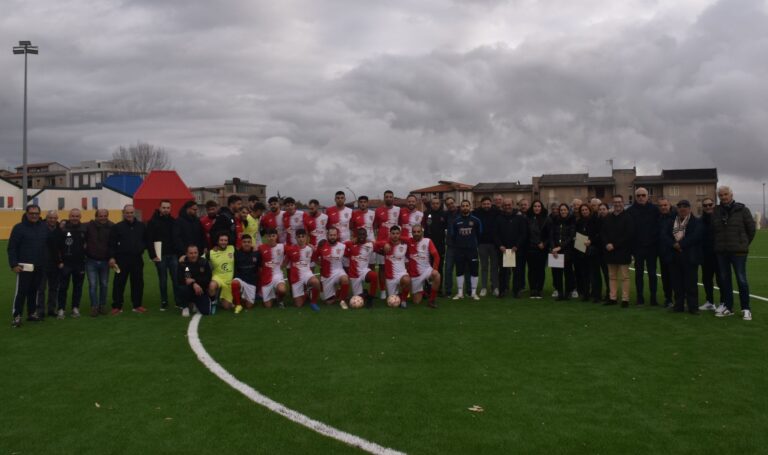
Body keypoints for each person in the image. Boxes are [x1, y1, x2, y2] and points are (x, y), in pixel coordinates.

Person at [712, 186, 756, 320]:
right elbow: (714, 231)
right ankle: (728, 307)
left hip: (738, 252)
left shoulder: (742, 209)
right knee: (725, 280)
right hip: (722, 252)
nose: (723, 197)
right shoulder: (717, 211)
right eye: (721, 195)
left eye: (725, 194)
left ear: (731, 195)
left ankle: (746, 309)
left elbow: (751, 229)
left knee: (741, 280)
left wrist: (743, 244)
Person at [660, 200, 702, 314]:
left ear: (689, 208)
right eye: (680, 207)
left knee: (691, 283)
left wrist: (681, 244)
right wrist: (674, 244)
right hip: (674, 256)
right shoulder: (671, 221)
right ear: (677, 209)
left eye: (685, 207)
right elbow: (664, 235)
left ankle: (693, 307)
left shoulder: (696, 221)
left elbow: (696, 236)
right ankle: (678, 305)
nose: (682, 209)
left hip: (689, 256)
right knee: (677, 283)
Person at [8, 204, 47, 327]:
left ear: (39, 214)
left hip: (39, 265)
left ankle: (31, 313)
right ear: (26, 214)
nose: (34, 215)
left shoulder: (43, 227)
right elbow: (12, 248)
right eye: (32, 213)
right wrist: (14, 264)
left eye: (36, 213)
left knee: (34, 291)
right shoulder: (19, 228)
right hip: (24, 266)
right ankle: (17, 316)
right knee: (21, 292)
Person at [109, 205, 148, 315]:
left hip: (137, 259)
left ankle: (137, 305)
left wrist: (141, 247)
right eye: (127, 213)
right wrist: (112, 257)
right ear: (123, 213)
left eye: (131, 213)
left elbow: (146, 240)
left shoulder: (141, 226)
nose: (129, 215)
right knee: (119, 283)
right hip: (121, 259)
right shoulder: (117, 227)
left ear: (134, 213)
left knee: (138, 282)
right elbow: (112, 244)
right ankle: (117, 306)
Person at [626, 187, 660, 306]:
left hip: (651, 248)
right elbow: (629, 231)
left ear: (647, 196)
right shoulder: (630, 211)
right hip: (637, 248)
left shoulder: (655, 210)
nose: (641, 197)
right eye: (638, 195)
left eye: (643, 195)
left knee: (652, 273)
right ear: (635, 197)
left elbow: (658, 228)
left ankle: (653, 298)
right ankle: (640, 298)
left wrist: (653, 242)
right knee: (638, 274)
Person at [601, 195, 635, 307]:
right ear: (612, 203)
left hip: (623, 251)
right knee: (612, 276)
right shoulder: (607, 218)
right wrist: (607, 243)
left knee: (625, 277)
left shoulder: (628, 217)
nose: (617, 204)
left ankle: (625, 299)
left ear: (623, 203)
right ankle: (613, 298)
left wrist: (614, 245)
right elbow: (603, 233)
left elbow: (628, 235)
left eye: (619, 202)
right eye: (615, 202)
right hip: (610, 252)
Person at [55, 208, 87, 319]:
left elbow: (88, 245)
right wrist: (59, 262)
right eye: (72, 216)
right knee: (63, 287)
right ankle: (61, 309)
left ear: (80, 217)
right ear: (69, 216)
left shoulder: (84, 229)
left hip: (80, 264)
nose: (74, 218)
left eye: (77, 216)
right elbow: (57, 247)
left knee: (78, 287)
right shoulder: (63, 230)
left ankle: (75, 308)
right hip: (66, 264)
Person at [146, 200, 178, 311]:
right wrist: (152, 255)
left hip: (173, 255)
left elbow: (176, 238)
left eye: (168, 207)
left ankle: (178, 301)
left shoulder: (174, 221)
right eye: (164, 207)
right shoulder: (152, 222)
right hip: (160, 256)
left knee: (176, 279)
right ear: (159, 208)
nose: (166, 209)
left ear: (170, 209)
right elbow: (149, 240)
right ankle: (164, 301)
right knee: (163, 280)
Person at [495, 198, 528, 298]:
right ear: (502, 206)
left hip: (516, 250)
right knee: (503, 272)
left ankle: (516, 291)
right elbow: (495, 234)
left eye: (509, 204)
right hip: (503, 250)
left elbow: (523, 234)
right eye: (505, 205)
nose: (507, 207)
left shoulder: (519, 218)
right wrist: (500, 245)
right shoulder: (499, 218)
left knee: (517, 271)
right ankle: (502, 291)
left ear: (512, 204)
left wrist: (517, 246)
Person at [451, 200, 482, 300]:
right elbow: (453, 235)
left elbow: (480, 233)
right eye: (463, 206)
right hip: (459, 250)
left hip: (472, 250)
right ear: (460, 207)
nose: (465, 207)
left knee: (474, 271)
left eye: (466, 206)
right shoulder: (456, 221)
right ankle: (460, 293)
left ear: (470, 207)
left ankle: (473, 293)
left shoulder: (476, 220)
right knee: (459, 271)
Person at [84, 209, 113, 317]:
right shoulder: (88, 226)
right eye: (100, 216)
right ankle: (94, 306)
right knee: (92, 285)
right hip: (91, 260)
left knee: (104, 285)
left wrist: (112, 257)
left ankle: (102, 305)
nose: (103, 218)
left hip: (105, 261)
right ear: (96, 216)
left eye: (105, 216)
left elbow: (113, 244)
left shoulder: (111, 226)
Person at [374, 225, 411, 308]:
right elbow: (375, 245)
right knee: (392, 302)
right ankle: (398, 293)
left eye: (397, 233)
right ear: (390, 234)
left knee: (407, 280)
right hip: (390, 277)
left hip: (401, 274)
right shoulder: (386, 245)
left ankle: (404, 300)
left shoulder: (404, 245)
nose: (395, 235)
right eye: (393, 233)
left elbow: (410, 240)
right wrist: (385, 243)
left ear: (400, 234)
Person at [373, 190, 402, 299]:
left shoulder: (398, 210)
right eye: (387, 196)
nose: (389, 198)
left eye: (391, 196)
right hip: (382, 243)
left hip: (395, 244)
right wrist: (377, 240)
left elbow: (400, 225)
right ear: (384, 198)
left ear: (393, 198)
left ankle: (396, 289)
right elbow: (375, 226)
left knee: (396, 266)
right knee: (382, 268)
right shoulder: (378, 210)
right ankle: (383, 290)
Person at [285, 229, 321, 310]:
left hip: (306, 273)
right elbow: (284, 263)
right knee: (298, 305)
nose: (301, 239)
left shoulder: (310, 248)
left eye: (303, 236)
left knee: (316, 282)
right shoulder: (290, 249)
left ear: (306, 237)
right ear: (295, 238)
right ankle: (307, 292)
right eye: (299, 237)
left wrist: (319, 252)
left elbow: (317, 261)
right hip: (295, 277)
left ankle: (313, 302)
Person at [698, 197, 723, 311]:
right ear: (703, 207)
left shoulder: (720, 218)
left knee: (721, 279)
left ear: (714, 205)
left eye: (710, 204)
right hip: (705, 255)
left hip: (719, 254)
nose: (708, 207)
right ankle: (710, 302)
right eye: (705, 205)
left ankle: (723, 302)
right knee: (707, 279)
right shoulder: (700, 221)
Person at [316, 227, 350, 308]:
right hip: (326, 275)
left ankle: (342, 300)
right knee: (329, 302)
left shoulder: (342, 246)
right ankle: (337, 292)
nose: (332, 237)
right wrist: (321, 264)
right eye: (331, 235)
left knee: (345, 279)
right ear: (327, 236)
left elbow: (351, 252)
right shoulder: (321, 246)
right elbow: (314, 257)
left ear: (337, 236)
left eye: (334, 235)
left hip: (338, 271)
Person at [574, 204, 602, 302]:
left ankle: (596, 295)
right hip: (582, 251)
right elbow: (577, 234)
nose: (584, 211)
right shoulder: (579, 222)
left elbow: (599, 234)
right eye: (582, 210)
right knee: (585, 274)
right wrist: (576, 239)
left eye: (586, 210)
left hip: (593, 250)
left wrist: (591, 241)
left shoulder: (595, 220)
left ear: (589, 210)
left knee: (594, 274)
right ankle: (586, 294)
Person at [408, 224, 440, 307]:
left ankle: (432, 300)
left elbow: (436, 256)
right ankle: (423, 292)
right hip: (415, 275)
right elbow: (397, 239)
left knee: (437, 276)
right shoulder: (408, 241)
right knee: (416, 302)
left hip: (426, 271)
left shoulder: (428, 241)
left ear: (422, 232)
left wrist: (435, 269)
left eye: (418, 231)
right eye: (414, 232)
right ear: (411, 233)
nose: (416, 233)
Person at [472, 196, 499, 297]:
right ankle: (484, 287)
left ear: (491, 204)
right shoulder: (476, 213)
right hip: (482, 244)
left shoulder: (497, 212)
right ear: (481, 204)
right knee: (483, 267)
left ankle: (495, 287)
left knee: (494, 267)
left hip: (494, 245)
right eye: (484, 204)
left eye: (488, 204)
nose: (486, 206)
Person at [177, 244, 214, 317]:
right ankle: (185, 307)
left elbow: (208, 279)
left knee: (206, 312)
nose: (193, 255)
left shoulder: (204, 262)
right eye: (191, 253)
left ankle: (195, 303)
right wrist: (194, 284)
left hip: (201, 290)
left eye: (195, 253)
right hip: (189, 290)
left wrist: (194, 281)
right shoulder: (184, 264)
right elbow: (180, 279)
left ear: (198, 253)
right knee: (183, 287)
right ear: (186, 254)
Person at [345, 227, 378, 308]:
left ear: (366, 235)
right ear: (356, 236)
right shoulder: (350, 244)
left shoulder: (370, 245)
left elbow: (381, 244)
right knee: (359, 299)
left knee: (374, 276)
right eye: (360, 234)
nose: (361, 236)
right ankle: (365, 294)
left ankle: (371, 298)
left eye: (363, 234)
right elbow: (340, 245)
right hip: (354, 275)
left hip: (364, 271)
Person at [37, 210, 62, 318]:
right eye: (50, 218)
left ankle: (51, 309)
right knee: (41, 289)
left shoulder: (59, 231)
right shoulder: (40, 229)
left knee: (54, 288)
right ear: (46, 218)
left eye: (54, 218)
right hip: (42, 264)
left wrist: (60, 261)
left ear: (57, 219)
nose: (52, 220)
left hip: (55, 264)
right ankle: (40, 310)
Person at [550, 204, 576, 301]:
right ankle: (560, 292)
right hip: (555, 252)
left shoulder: (571, 221)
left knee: (568, 273)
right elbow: (551, 236)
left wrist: (559, 247)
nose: (563, 211)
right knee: (557, 273)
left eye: (565, 210)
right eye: (561, 210)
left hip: (567, 251)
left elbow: (570, 237)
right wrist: (553, 248)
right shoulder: (555, 221)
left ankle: (568, 292)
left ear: (568, 211)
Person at [423, 197, 447, 296]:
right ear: (431, 204)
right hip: (428, 246)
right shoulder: (426, 214)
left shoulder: (444, 214)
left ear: (440, 204)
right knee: (427, 267)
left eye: (437, 203)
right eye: (433, 203)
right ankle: (428, 288)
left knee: (439, 268)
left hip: (440, 245)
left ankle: (439, 289)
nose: (435, 205)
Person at [257, 228, 288, 308]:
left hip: (277, 274)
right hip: (266, 277)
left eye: (273, 236)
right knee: (268, 306)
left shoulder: (282, 246)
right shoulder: (261, 248)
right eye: (269, 236)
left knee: (282, 290)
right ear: (266, 237)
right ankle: (272, 294)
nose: (271, 238)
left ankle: (280, 300)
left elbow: (292, 252)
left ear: (276, 236)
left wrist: (284, 264)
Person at [526, 200, 550, 299]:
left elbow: (550, 234)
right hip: (531, 248)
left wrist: (544, 244)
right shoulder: (527, 219)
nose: (537, 208)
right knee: (532, 270)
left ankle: (539, 289)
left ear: (541, 207)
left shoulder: (547, 219)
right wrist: (536, 243)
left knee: (541, 270)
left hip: (542, 249)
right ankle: (533, 290)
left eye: (539, 206)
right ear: (532, 208)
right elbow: (527, 234)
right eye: (535, 206)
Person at [231, 234, 261, 313]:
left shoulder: (256, 253)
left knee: (249, 306)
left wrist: (259, 288)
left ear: (251, 243)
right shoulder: (236, 253)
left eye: (248, 242)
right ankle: (238, 305)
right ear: (241, 243)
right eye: (244, 242)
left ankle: (241, 297)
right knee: (234, 283)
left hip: (251, 283)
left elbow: (260, 269)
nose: (246, 244)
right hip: (240, 280)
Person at [207, 232, 236, 311]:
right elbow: (199, 258)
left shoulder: (232, 248)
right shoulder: (211, 252)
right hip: (218, 277)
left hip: (229, 281)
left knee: (227, 307)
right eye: (221, 240)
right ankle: (213, 301)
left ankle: (222, 298)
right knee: (212, 286)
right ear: (217, 241)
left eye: (225, 240)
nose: (223, 242)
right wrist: (185, 257)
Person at [657, 198, 676, 307]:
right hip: (662, 253)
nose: (663, 207)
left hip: (674, 252)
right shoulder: (658, 218)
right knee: (665, 278)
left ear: (669, 205)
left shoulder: (676, 217)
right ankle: (668, 299)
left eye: (665, 205)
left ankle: (679, 298)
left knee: (676, 277)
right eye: (661, 205)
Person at [596, 203, 611, 301]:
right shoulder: (597, 221)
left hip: (608, 251)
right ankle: (599, 293)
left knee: (608, 274)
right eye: (600, 209)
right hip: (599, 250)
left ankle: (610, 293)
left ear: (607, 210)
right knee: (600, 273)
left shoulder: (611, 220)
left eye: (604, 209)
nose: (602, 211)